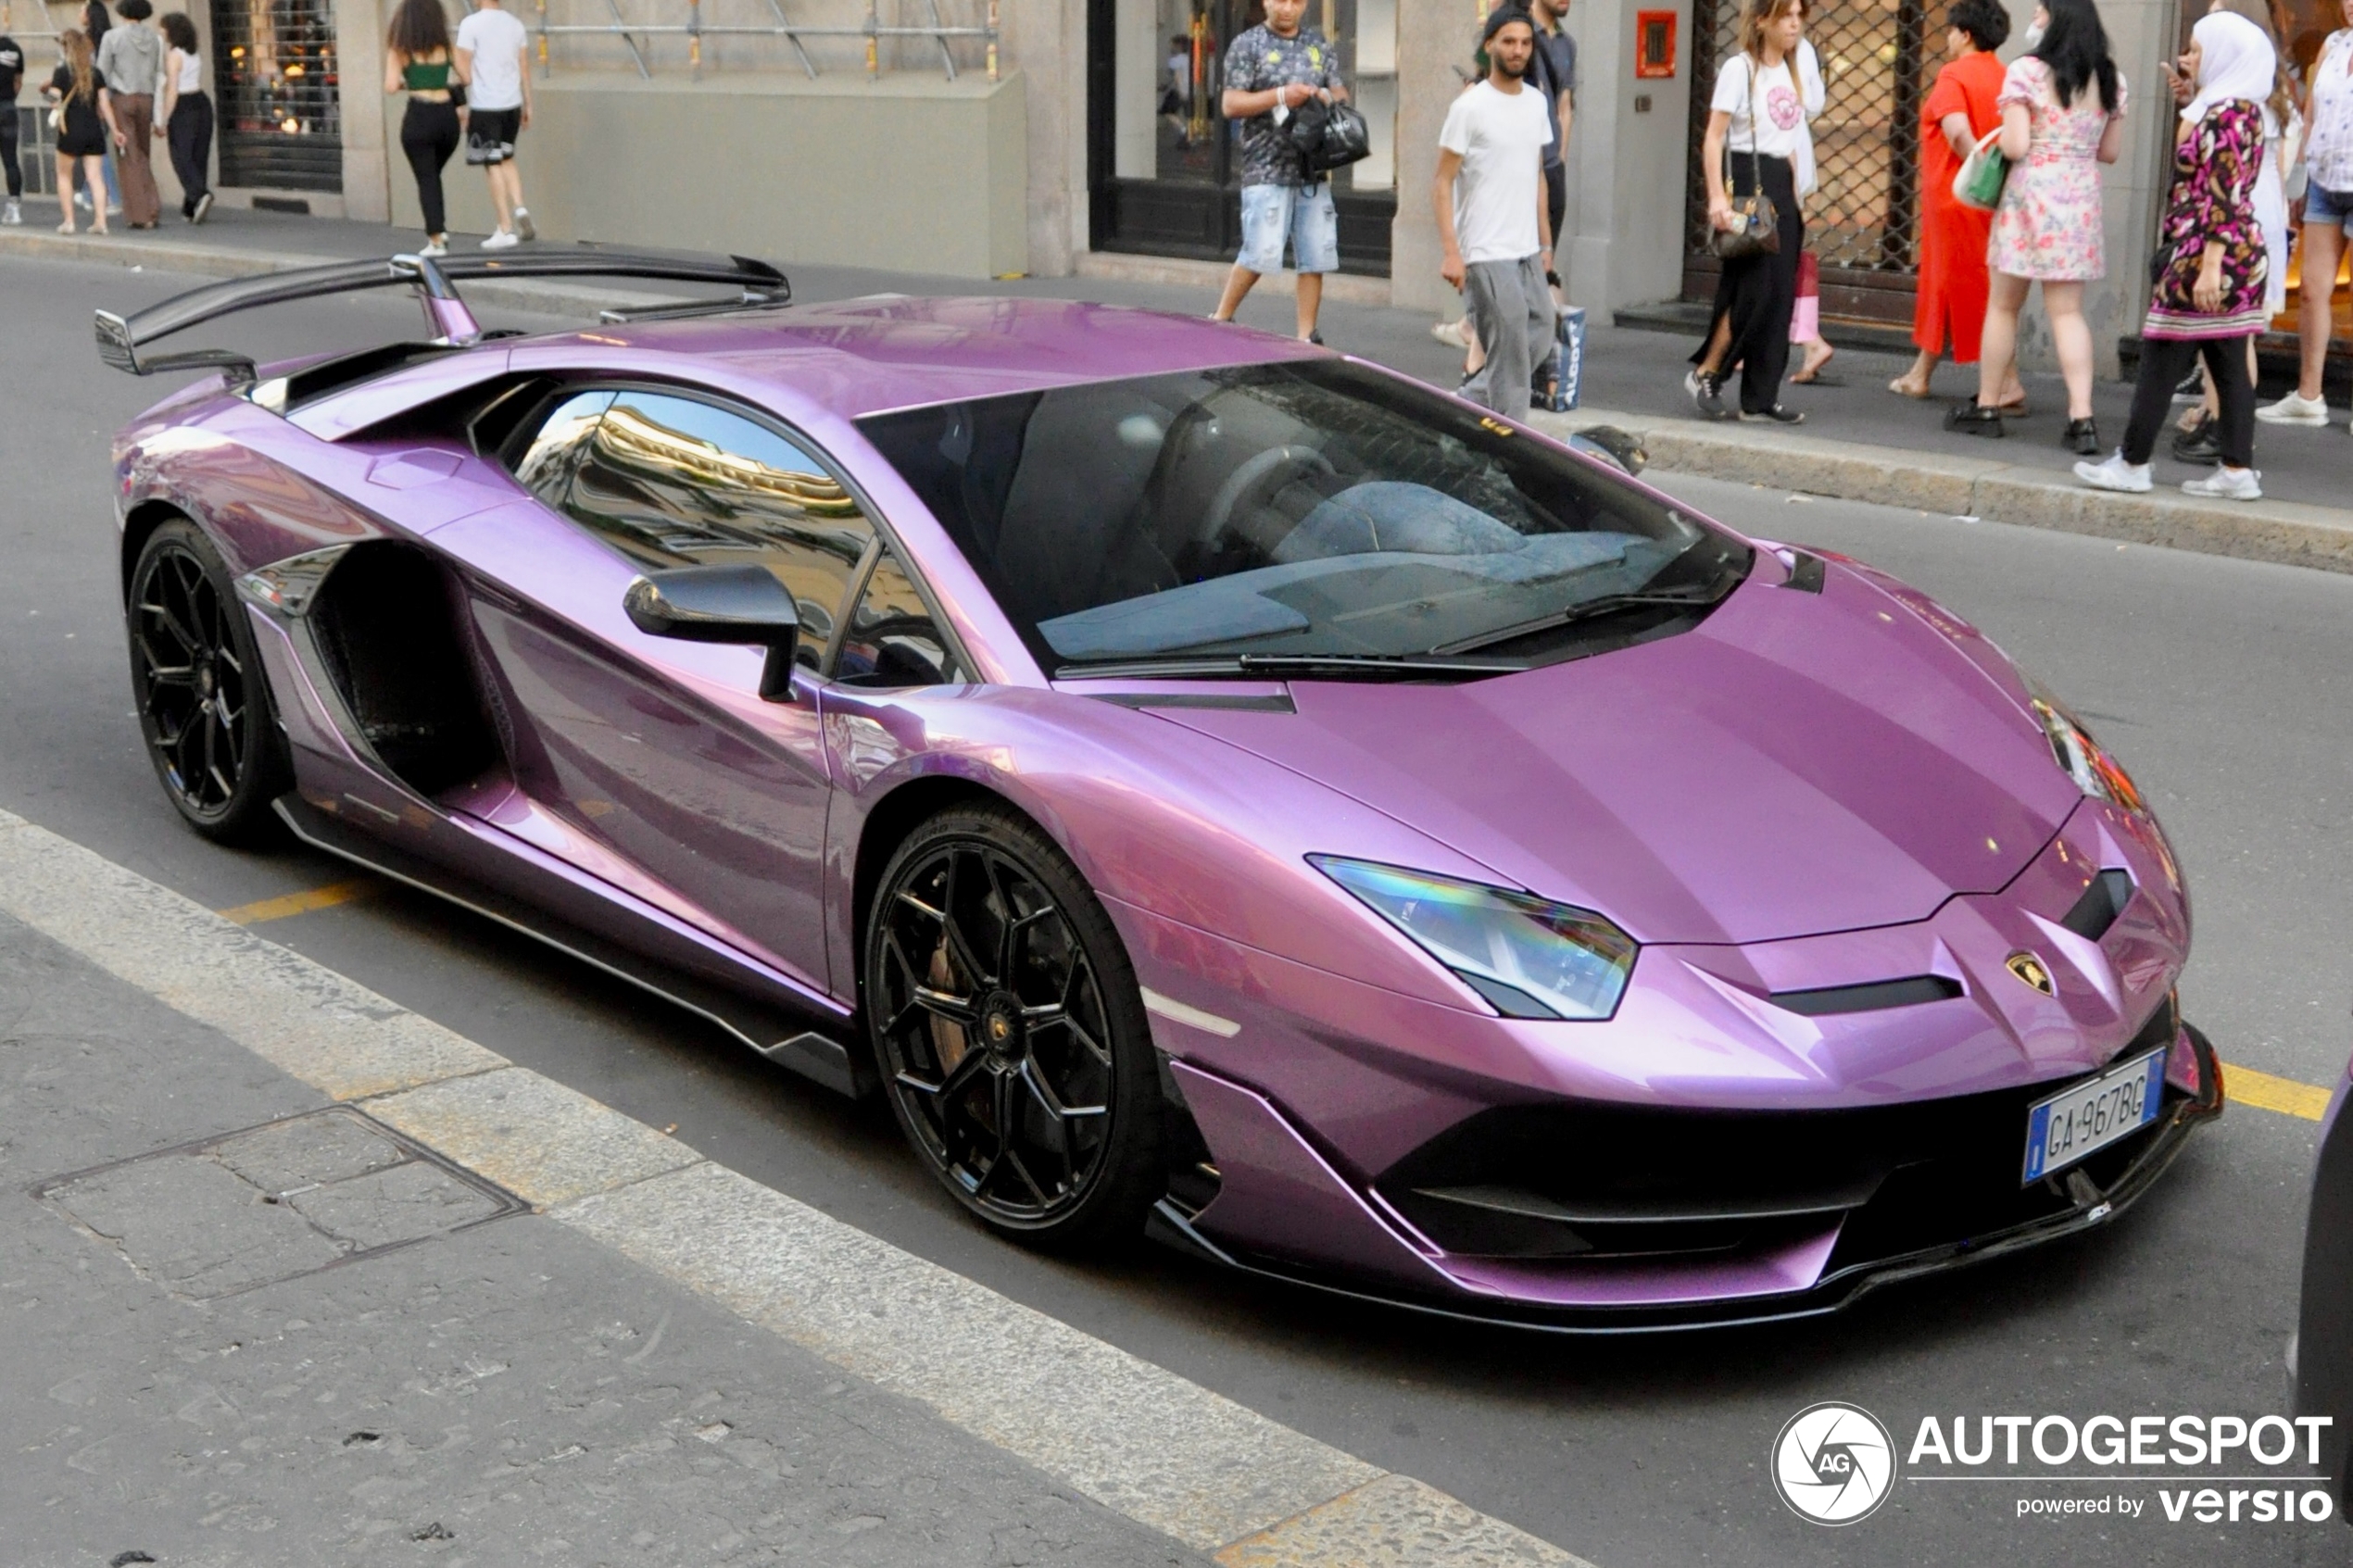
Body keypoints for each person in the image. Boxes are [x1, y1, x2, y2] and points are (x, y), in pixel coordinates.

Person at [2075, 9, 2272, 499]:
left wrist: (2209, 264)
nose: (2188, 59)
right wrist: (2192, 99)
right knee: (2228, 365)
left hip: (2206, 250)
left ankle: (2134, 463)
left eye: (2198, 52)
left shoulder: (2225, 115)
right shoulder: (2240, 109)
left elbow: (2222, 192)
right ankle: (2236, 470)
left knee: (2161, 357)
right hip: (2237, 253)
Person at [1948, 0, 2126, 452]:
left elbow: (2015, 144)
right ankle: (2082, 418)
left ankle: (1987, 405)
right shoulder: (2110, 77)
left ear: (2056, 18)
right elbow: (2109, 152)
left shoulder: (2026, 72)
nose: (2035, 19)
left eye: (2041, 12)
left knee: (2004, 306)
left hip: (2030, 196)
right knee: (2068, 312)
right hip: (2080, 200)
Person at [1687, 0, 1810, 423]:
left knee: (1779, 297)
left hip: (1780, 181)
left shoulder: (1793, 68)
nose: (1795, 24)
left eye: (1799, 15)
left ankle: (1761, 396)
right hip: (1746, 177)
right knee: (1752, 290)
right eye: (1786, 16)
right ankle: (1708, 371)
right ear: (1762, 20)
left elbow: (1790, 139)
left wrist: (1796, 196)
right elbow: (1713, 138)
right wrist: (1717, 198)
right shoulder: (1740, 69)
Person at [1435, 7, 1556, 419]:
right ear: (1489, 46)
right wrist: (1452, 252)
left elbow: (1537, 174)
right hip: (1485, 250)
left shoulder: (1537, 103)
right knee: (1512, 358)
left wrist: (1545, 242)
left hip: (1525, 248)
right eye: (1508, 41)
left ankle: (1467, 404)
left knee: (1540, 333)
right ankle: (1510, 452)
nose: (1518, 50)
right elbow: (1441, 182)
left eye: (1525, 42)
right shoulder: (1470, 108)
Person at [1891, 0, 2015, 401]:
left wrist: (1977, 174)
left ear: (1965, 34)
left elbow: (1958, 131)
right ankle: (1921, 373)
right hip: (1990, 200)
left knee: (1960, 286)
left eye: (1950, 30)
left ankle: (2008, 383)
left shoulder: (1953, 74)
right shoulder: (2006, 76)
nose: (1946, 37)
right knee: (1970, 284)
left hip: (1956, 196)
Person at [1208, 0, 1347, 342]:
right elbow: (1231, 104)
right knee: (1259, 252)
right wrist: (1282, 95)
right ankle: (1220, 319)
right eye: (1280, 0)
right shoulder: (1247, 44)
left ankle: (1306, 336)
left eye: (1296, 1)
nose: (1287, 8)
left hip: (1312, 166)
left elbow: (1342, 93)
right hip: (1265, 165)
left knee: (1315, 256)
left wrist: (1323, 95)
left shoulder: (1317, 44)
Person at [2258, 0, 2353, 427]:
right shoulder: (2333, 45)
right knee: (2313, 291)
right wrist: (2302, 177)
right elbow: (2311, 115)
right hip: (2325, 182)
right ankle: (2309, 394)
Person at [386, 0, 467, 257]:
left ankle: (436, 238)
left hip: (419, 117)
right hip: (447, 119)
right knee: (432, 176)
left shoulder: (400, 49)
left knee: (427, 178)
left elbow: (390, 85)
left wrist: (408, 82)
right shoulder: (447, 47)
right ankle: (439, 230)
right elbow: (466, 78)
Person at [457, 0, 534, 249]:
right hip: (512, 103)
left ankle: (504, 227)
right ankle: (520, 207)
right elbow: (524, 68)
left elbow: (464, 72)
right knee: (508, 157)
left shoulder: (470, 25)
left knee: (492, 164)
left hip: (485, 104)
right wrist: (528, 104)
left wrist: (462, 104)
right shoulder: (515, 24)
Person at [44, 29, 116, 235]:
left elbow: (55, 99)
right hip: (94, 130)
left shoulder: (62, 71)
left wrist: (47, 93)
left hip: (70, 131)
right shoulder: (96, 73)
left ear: (66, 48)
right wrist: (116, 130)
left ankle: (69, 222)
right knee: (95, 177)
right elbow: (105, 105)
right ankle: (101, 222)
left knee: (64, 175)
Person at [96, 0, 161, 229]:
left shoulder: (112, 37)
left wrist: (100, 104)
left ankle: (139, 214)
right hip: (147, 98)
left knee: (128, 156)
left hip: (122, 98)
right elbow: (157, 72)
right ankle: (152, 207)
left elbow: (101, 73)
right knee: (144, 153)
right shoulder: (154, 39)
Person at [154, 11, 209, 223]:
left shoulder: (174, 55)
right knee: (198, 156)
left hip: (183, 106)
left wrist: (163, 120)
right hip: (201, 102)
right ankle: (191, 207)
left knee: (180, 156)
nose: (161, 31)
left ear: (171, 31)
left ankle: (200, 194)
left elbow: (172, 91)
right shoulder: (193, 53)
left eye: (163, 27)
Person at [0, 29, 22, 226]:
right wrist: (10, 99)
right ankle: (14, 207)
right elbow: (18, 81)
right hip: (7, 108)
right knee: (10, 159)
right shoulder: (14, 49)